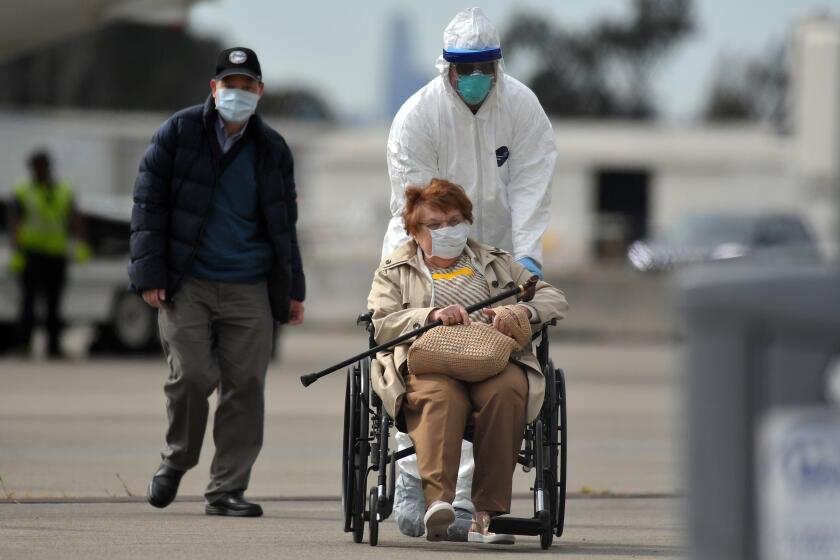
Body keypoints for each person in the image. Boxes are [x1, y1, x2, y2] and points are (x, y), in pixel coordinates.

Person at [382, 7, 559, 538]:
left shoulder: (522, 107)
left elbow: (532, 181)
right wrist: (435, 243)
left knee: (485, 368)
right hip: (430, 243)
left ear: (498, 65)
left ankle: (464, 502)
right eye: (468, 67)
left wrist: (526, 254)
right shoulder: (418, 116)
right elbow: (415, 200)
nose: (478, 75)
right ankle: (411, 481)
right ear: (449, 68)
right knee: (425, 365)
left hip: (497, 256)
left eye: (488, 65)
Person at [128, 47, 305, 517]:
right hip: (189, 282)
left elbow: (285, 225)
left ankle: (227, 489)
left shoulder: (273, 150)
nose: (238, 93)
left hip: (250, 284)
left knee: (245, 386)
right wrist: (149, 275)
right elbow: (148, 206)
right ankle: (177, 459)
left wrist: (293, 291)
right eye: (230, 84)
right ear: (213, 88)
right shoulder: (178, 133)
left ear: (260, 92)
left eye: (247, 86)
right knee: (192, 376)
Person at [368, 179, 567, 544]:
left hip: (492, 358)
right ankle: (439, 504)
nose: (448, 230)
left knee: (507, 393)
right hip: (430, 359)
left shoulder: (496, 262)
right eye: (435, 224)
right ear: (414, 230)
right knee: (441, 399)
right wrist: (430, 315)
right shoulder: (394, 270)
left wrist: (520, 310)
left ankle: (485, 514)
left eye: (455, 221)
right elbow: (381, 322)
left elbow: (553, 297)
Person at [9, 150, 89, 358]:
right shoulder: (23, 191)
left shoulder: (64, 190)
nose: (39, 172)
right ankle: (24, 345)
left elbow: (75, 219)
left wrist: (80, 244)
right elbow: (15, 223)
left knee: (54, 304)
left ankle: (53, 347)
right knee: (28, 303)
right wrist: (16, 250)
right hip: (32, 254)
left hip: (56, 254)